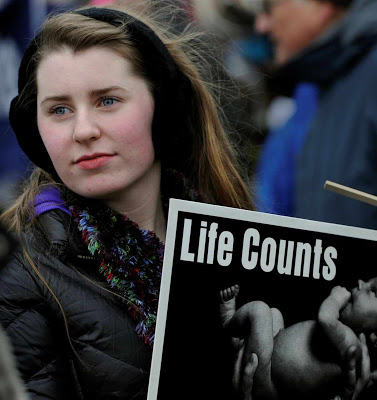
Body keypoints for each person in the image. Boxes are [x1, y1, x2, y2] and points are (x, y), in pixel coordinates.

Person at [0, 4, 255, 399]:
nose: (83, 130)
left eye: (107, 101)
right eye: (60, 110)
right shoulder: (22, 277)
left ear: (162, 108)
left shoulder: (233, 238)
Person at [253, 0, 377, 229]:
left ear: (321, 6)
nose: (262, 25)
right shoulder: (323, 85)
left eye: (271, 7)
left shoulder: (366, 76)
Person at [220, 279, 377, 399]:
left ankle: (228, 321)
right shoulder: (344, 335)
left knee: (259, 311)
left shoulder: (351, 345)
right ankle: (242, 344)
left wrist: (335, 298)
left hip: (267, 380)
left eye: (374, 292)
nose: (361, 282)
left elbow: (325, 318)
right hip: (268, 360)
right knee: (275, 314)